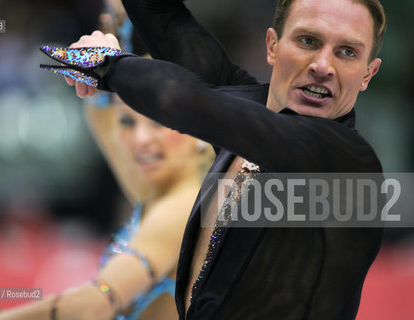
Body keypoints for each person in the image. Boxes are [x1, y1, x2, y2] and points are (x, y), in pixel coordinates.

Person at [58, 0, 387, 318]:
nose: (323, 66)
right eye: (308, 41)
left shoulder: (349, 163)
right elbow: (159, 14)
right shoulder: (251, 112)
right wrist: (100, 59)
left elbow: (179, 99)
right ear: (272, 46)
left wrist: (106, 63)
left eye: (347, 52)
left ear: (368, 74)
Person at [0, 88, 214, 320]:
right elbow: (100, 111)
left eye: (158, 122)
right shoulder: (158, 194)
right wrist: (102, 72)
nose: (141, 139)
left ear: (197, 131)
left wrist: (1, 318)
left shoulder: (181, 208)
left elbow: (93, 305)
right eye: (127, 122)